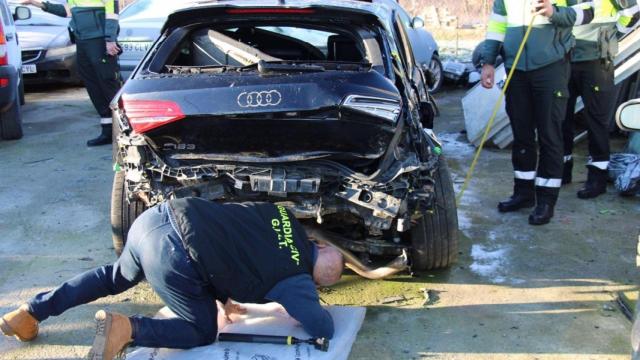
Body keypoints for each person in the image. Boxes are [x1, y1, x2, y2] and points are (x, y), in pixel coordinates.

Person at [0, 198, 344, 360]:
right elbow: (323, 328)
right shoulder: (298, 282)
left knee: (111, 276)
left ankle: (30, 311)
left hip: (156, 219)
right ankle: (129, 330)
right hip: (175, 258)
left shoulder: (282, 215)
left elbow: (231, 235)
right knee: (203, 331)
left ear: (320, 243)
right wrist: (309, 304)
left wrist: (224, 296)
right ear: (315, 283)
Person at [481, 0, 594, 225]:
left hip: (551, 68)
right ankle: (523, 193)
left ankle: (546, 200)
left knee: (550, 136)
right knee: (521, 136)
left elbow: (587, 13)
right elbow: (497, 25)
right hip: (516, 69)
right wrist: (488, 62)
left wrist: (555, 13)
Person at [562, 0, 639, 198]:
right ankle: (561, 169)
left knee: (597, 121)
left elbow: (634, 12)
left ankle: (597, 179)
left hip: (597, 61)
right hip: (564, 58)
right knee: (561, 118)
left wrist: (611, 36)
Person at [21, 0, 122, 146]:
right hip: (82, 40)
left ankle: (124, 130)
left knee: (107, 83)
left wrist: (110, 39)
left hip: (100, 40)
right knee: (93, 86)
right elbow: (67, 10)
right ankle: (107, 131)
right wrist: (39, 4)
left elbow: (112, 13)